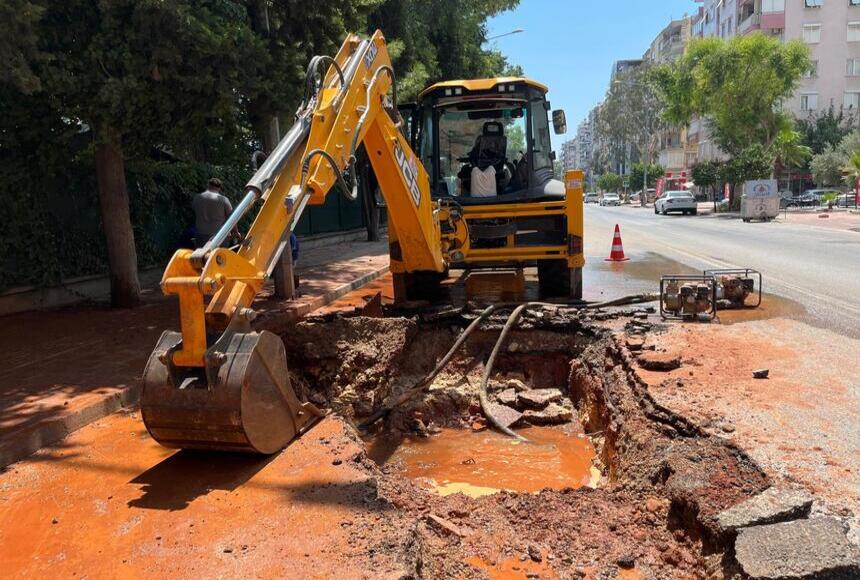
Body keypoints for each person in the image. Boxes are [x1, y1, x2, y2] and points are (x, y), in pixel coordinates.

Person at [192, 178, 239, 248]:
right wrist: (236, 232)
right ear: (219, 188)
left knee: (201, 258)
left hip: (200, 235)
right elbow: (232, 218)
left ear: (208, 185)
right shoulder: (223, 200)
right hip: (219, 237)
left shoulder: (197, 198)